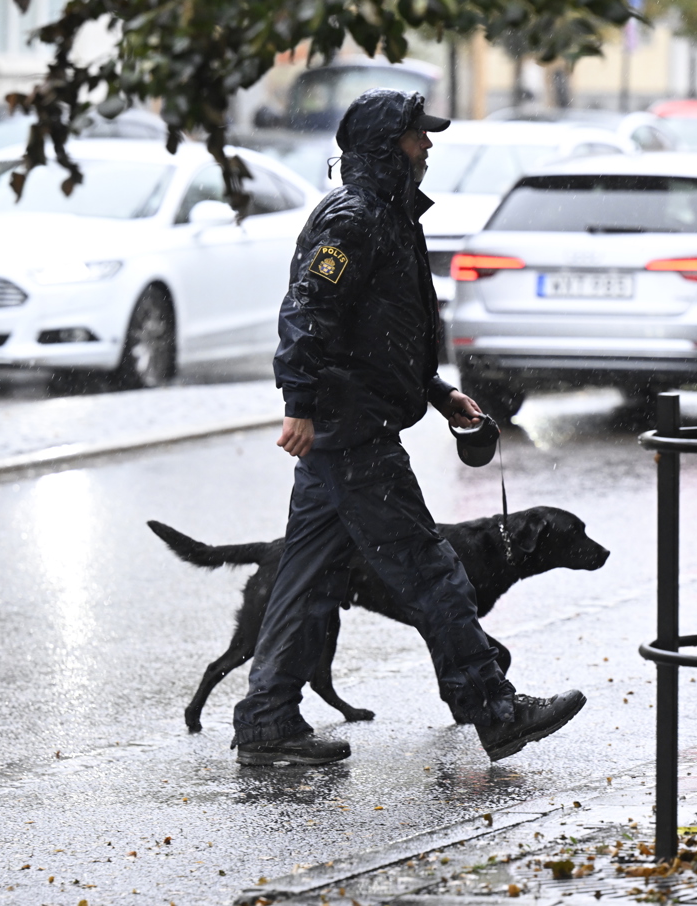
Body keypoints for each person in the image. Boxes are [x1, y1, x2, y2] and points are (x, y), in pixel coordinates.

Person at [231, 89, 586, 766]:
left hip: (351, 423)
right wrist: (299, 402)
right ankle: (494, 707)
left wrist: (438, 392)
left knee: (303, 578)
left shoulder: (388, 215)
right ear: (384, 147)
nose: (428, 146)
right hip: (352, 431)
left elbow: (382, 332)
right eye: (417, 137)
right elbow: (308, 314)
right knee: (432, 568)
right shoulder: (353, 218)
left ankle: (267, 718)